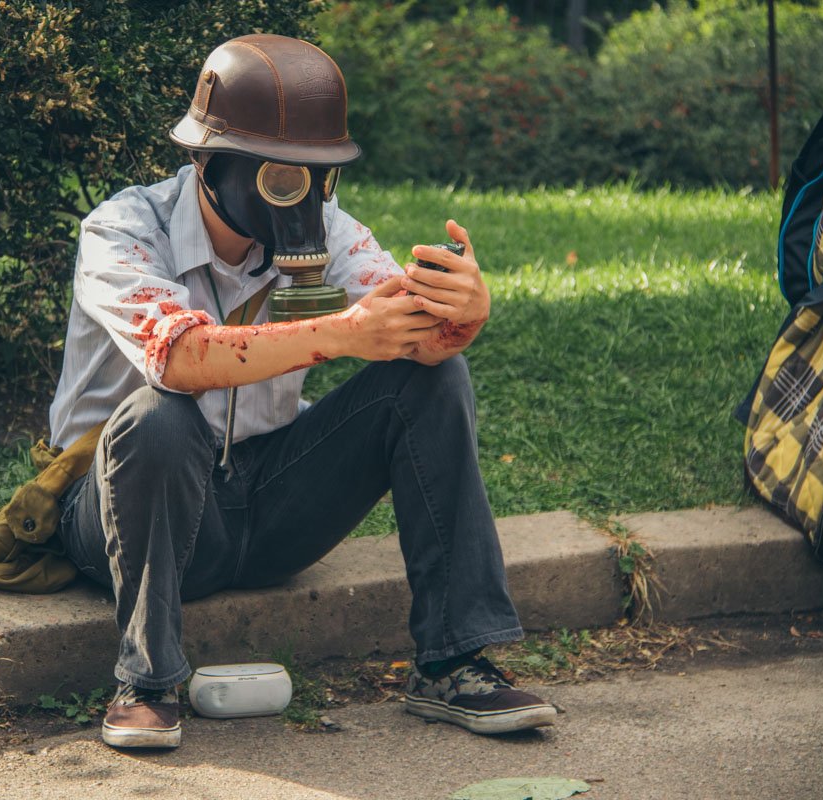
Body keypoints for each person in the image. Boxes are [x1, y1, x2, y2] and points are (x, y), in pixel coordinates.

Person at [48, 33, 555, 750]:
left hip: (267, 500)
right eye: (283, 177)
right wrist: (342, 334)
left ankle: (454, 660)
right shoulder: (124, 231)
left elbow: (415, 334)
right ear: (209, 160)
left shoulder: (327, 233)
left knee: (434, 378)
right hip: (123, 511)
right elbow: (183, 357)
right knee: (161, 416)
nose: (306, 197)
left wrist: (464, 312)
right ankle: (147, 680)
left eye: (320, 176)